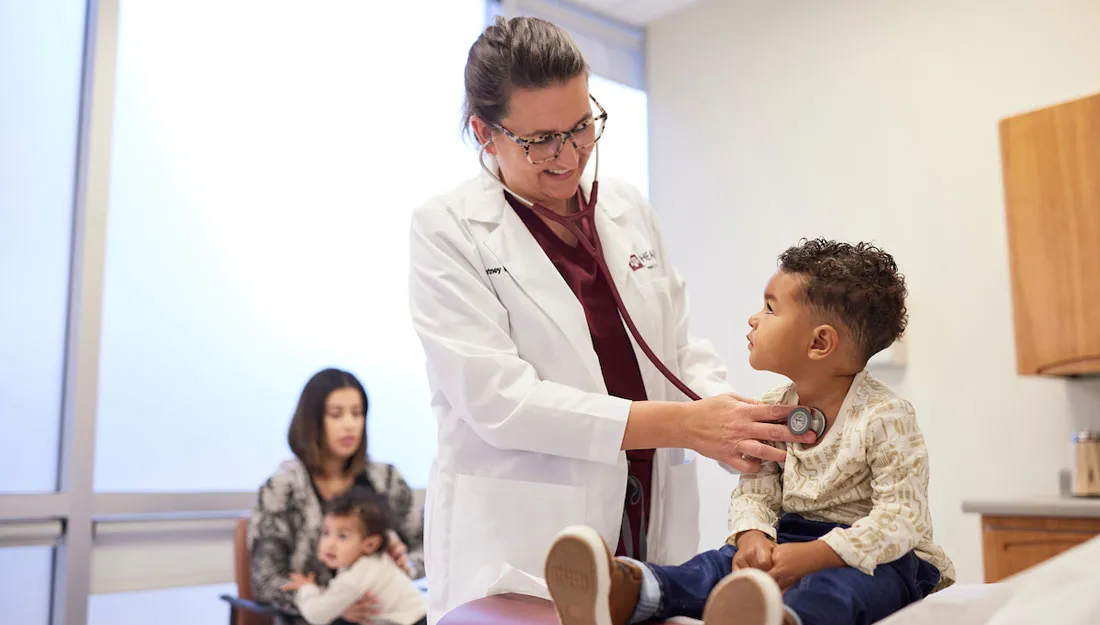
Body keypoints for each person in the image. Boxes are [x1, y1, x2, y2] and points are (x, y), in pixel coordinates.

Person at [407, 15, 817, 623]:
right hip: (522, 536)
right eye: (540, 140)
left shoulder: (624, 205)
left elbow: (679, 347)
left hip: (644, 504)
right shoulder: (447, 228)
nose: (569, 155)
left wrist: (733, 422)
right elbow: (500, 402)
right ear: (483, 132)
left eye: (580, 126)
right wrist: (686, 425)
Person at [543, 239, 956, 625]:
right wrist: (752, 536)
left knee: (837, 591)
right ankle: (627, 590)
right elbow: (756, 491)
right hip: (789, 540)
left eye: (771, 309)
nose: (754, 318)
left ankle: (780, 618)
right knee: (714, 568)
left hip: (879, 558)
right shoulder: (775, 406)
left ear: (820, 343)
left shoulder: (885, 416)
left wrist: (813, 556)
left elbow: (901, 520)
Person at [250, 368, 425, 625]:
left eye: (357, 413)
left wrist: (405, 566)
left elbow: (425, 550)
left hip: (386, 615)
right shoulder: (281, 488)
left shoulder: (387, 480)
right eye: (336, 414)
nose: (350, 424)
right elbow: (265, 580)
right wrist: (330, 604)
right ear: (312, 421)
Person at [282, 487, 427, 625]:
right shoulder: (377, 558)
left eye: (342, 536)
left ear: (370, 544)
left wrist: (306, 588)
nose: (329, 544)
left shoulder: (353, 578)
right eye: (326, 533)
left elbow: (316, 615)